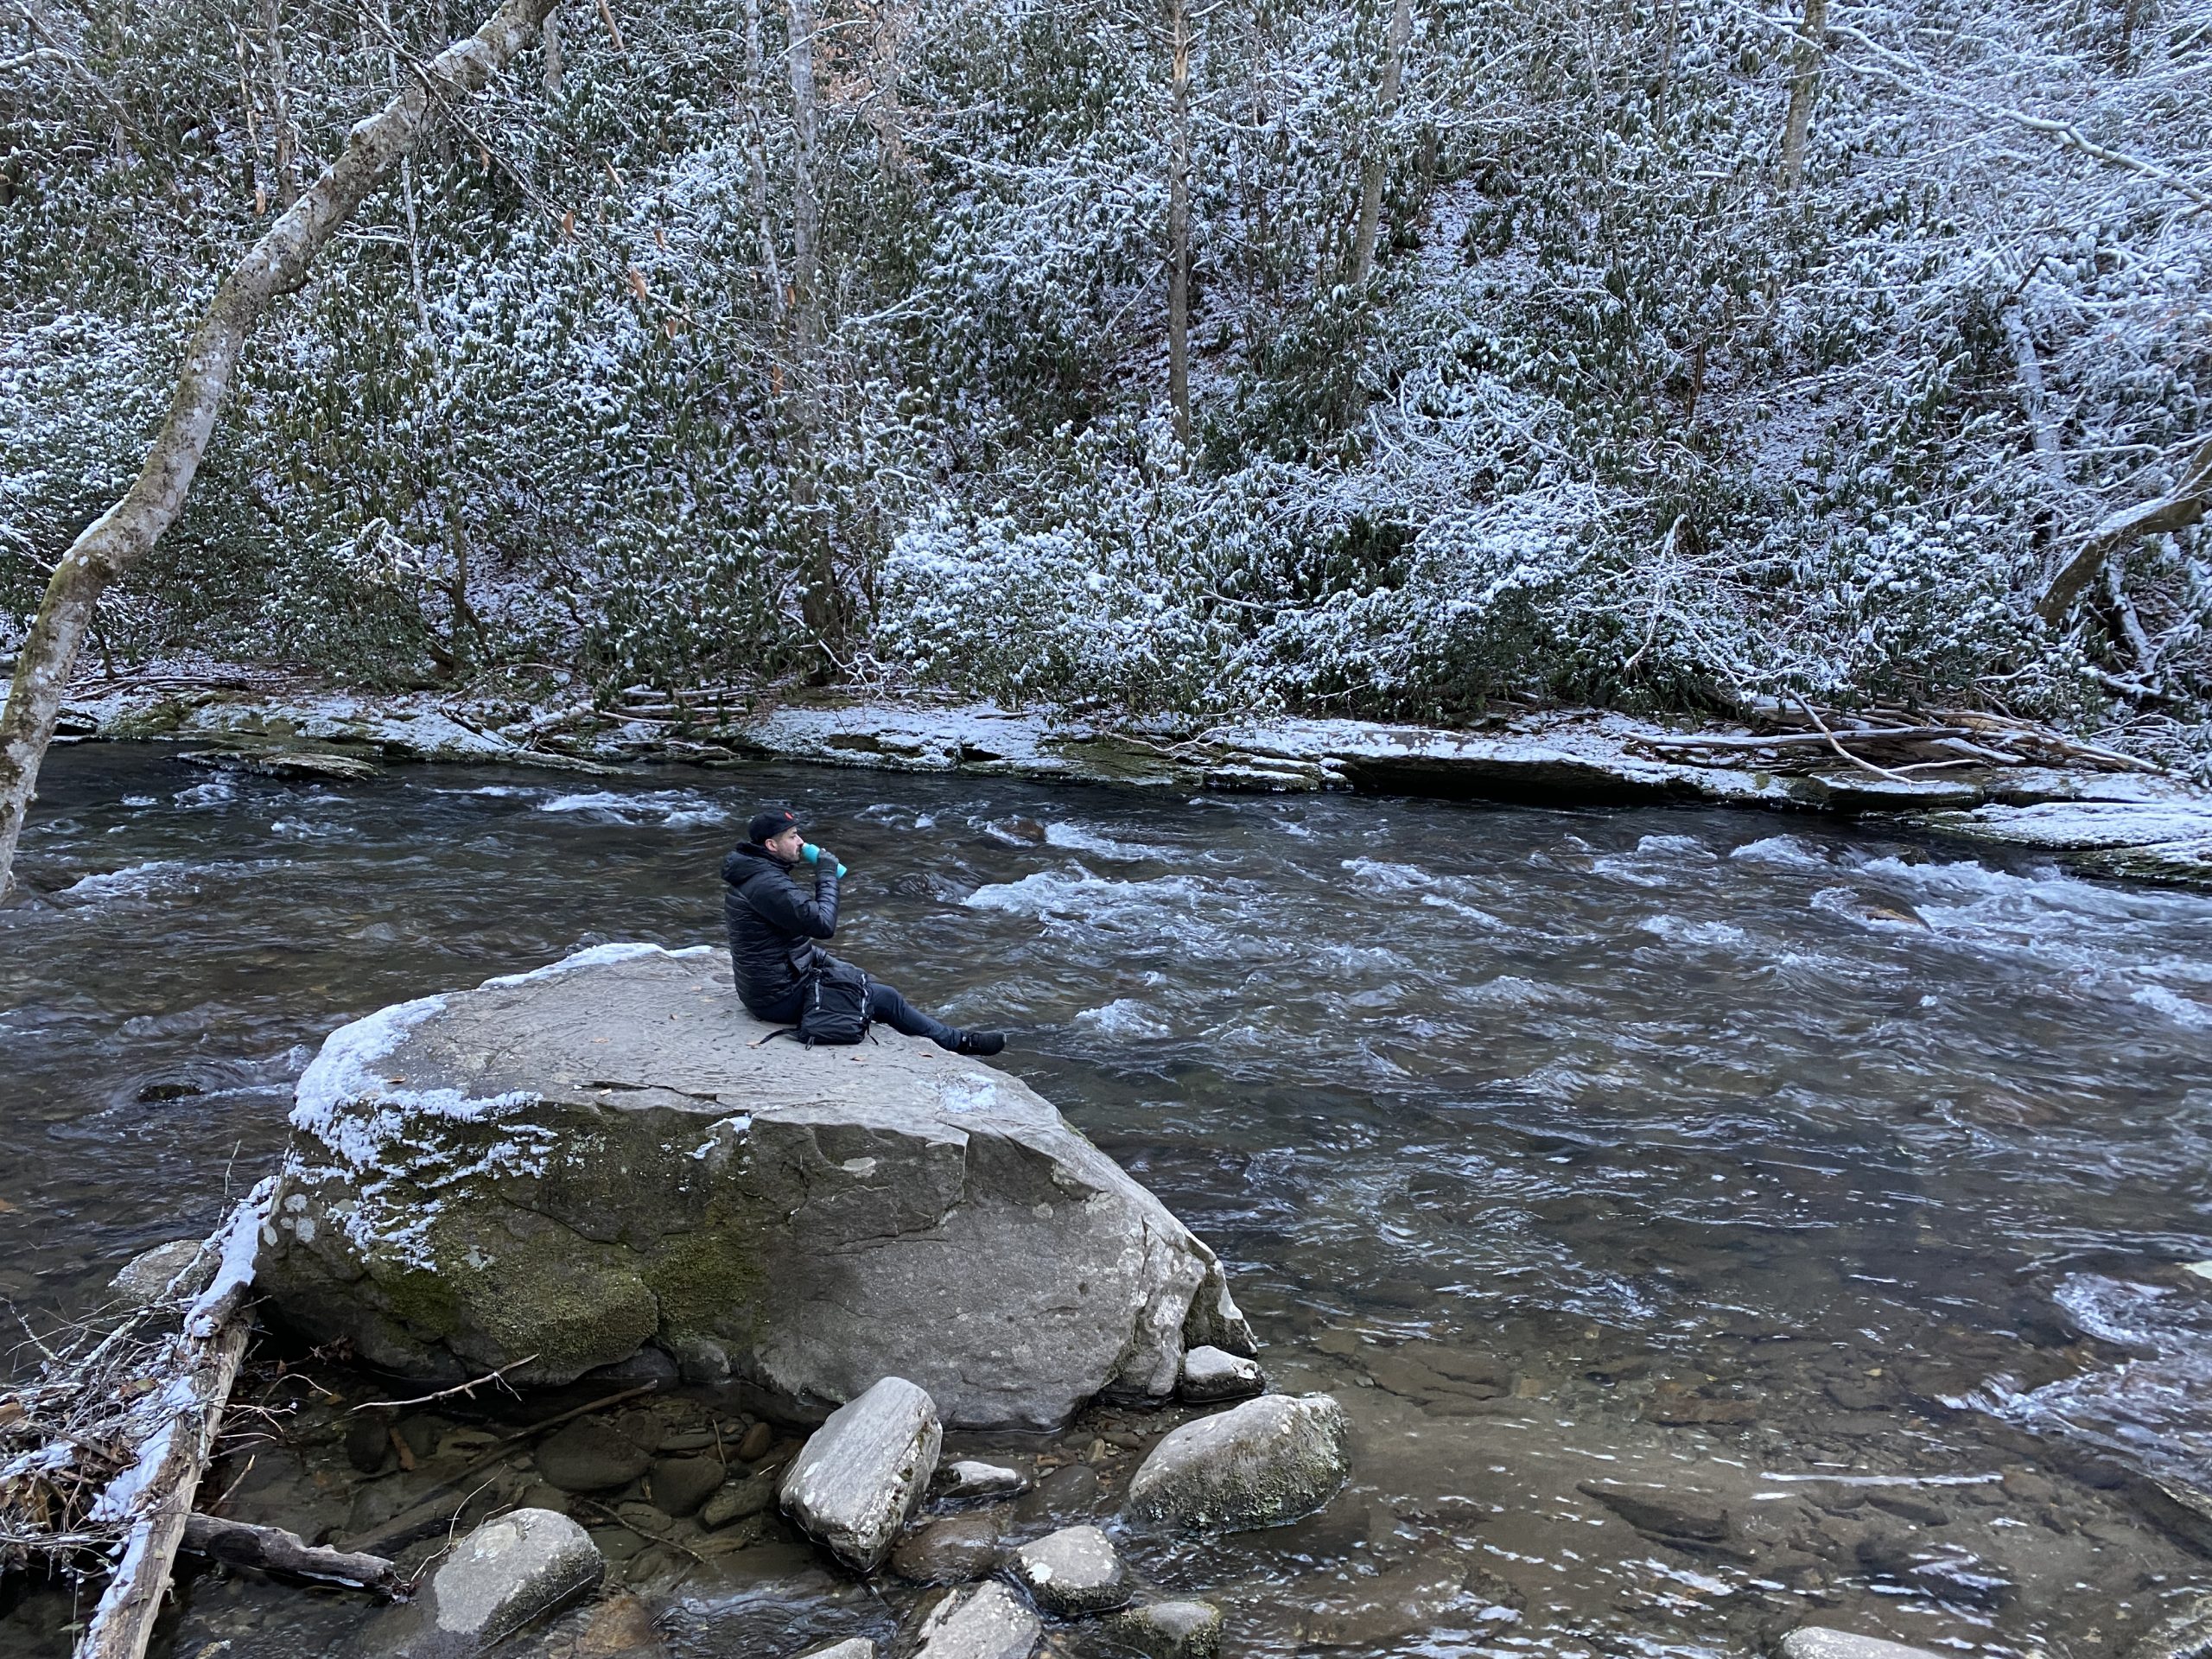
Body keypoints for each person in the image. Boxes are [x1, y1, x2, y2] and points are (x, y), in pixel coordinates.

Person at [721, 804, 1006, 1055]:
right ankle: (961, 1043)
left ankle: (889, 1012)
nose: (801, 842)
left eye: (798, 834)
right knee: (886, 996)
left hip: (779, 974)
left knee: (858, 977)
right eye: (792, 836)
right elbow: (823, 925)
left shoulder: (757, 872)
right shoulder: (768, 885)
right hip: (777, 997)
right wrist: (827, 876)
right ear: (771, 845)